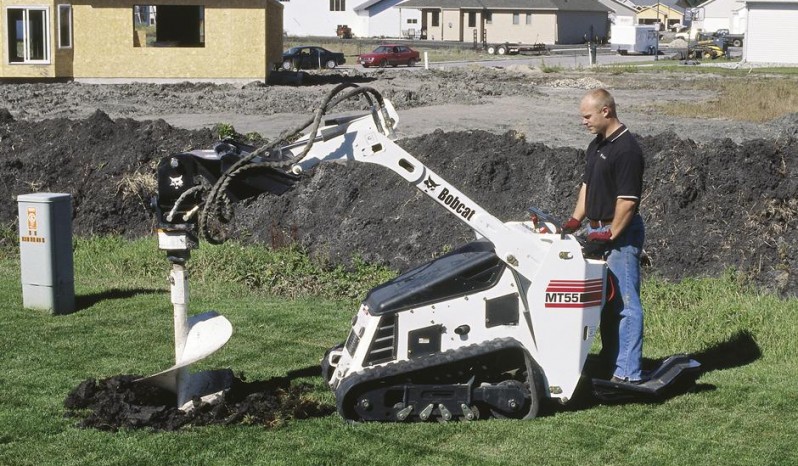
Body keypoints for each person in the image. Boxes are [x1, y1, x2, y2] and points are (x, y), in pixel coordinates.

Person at [562, 88, 646, 383]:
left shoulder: (627, 150)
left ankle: (628, 372)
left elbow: (627, 202)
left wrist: (610, 234)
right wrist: (575, 220)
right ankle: (612, 362)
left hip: (619, 233)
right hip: (598, 229)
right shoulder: (596, 146)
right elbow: (588, 187)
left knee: (625, 303)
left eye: (587, 116)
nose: (583, 121)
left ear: (606, 111)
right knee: (607, 302)